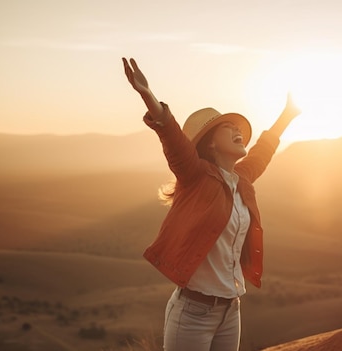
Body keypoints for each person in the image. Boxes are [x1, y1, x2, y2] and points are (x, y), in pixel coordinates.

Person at [122, 57, 301, 351]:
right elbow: (172, 136)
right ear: (211, 143)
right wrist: (147, 94)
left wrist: (287, 115)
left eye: (237, 126)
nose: (237, 130)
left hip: (231, 310)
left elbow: (264, 150)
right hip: (193, 314)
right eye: (227, 127)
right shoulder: (195, 175)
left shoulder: (241, 178)